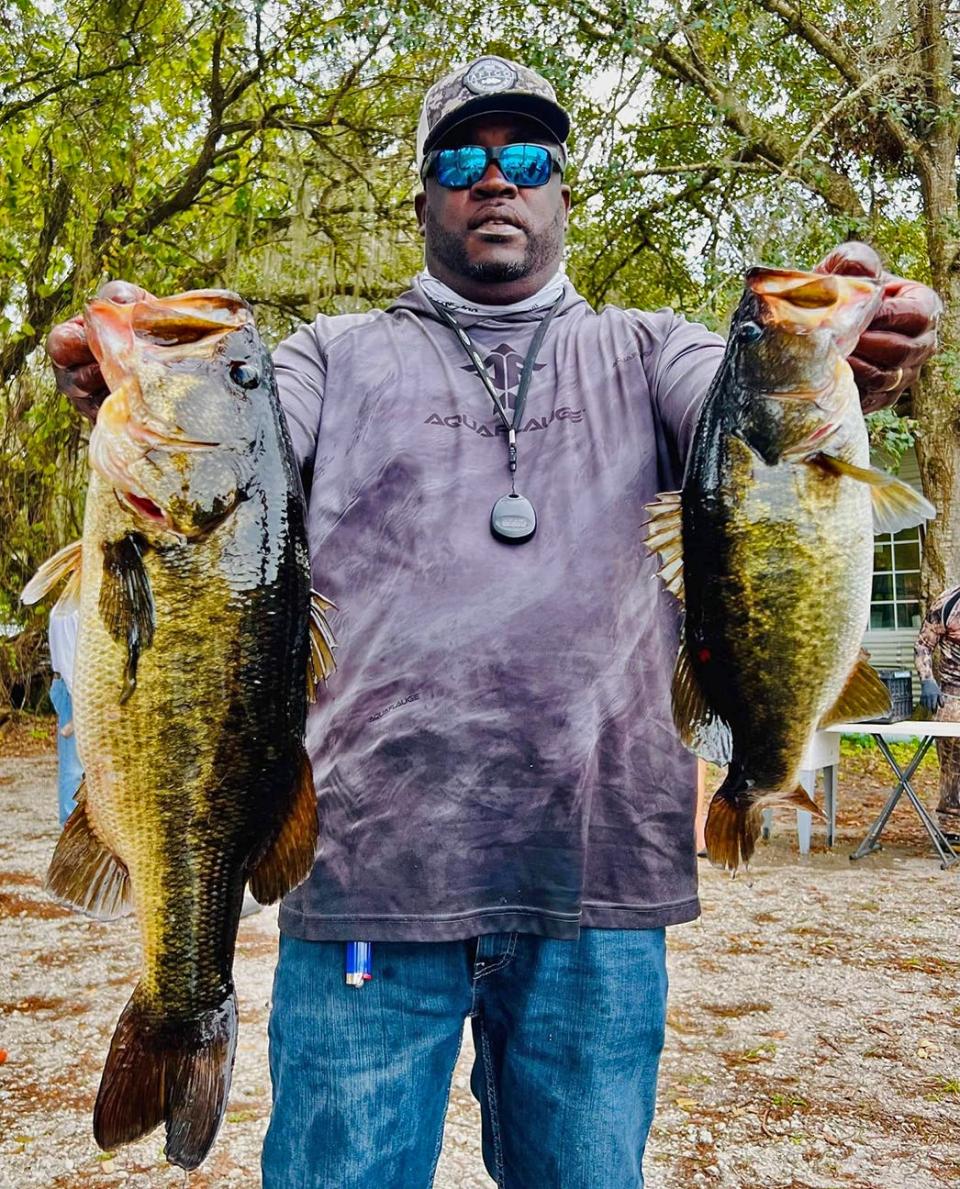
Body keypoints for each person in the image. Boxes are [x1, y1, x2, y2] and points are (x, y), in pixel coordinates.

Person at [47, 56, 941, 1189]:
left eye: (527, 158)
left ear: (563, 193)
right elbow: (225, 468)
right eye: (459, 161)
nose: (494, 181)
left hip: (598, 880)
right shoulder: (327, 358)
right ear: (420, 198)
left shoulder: (654, 348)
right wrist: (121, 391)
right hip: (370, 873)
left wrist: (861, 355)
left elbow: (759, 423)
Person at [915, 583, 960, 843]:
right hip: (953, 693)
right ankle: (951, 828)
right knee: (953, 766)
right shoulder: (948, 602)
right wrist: (927, 680)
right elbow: (923, 645)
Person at [48, 600, 83, 825]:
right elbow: (71, 663)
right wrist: (79, 711)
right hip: (73, 691)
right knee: (73, 768)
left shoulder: (79, 604)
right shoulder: (69, 609)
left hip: (74, 687)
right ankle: (69, 826)